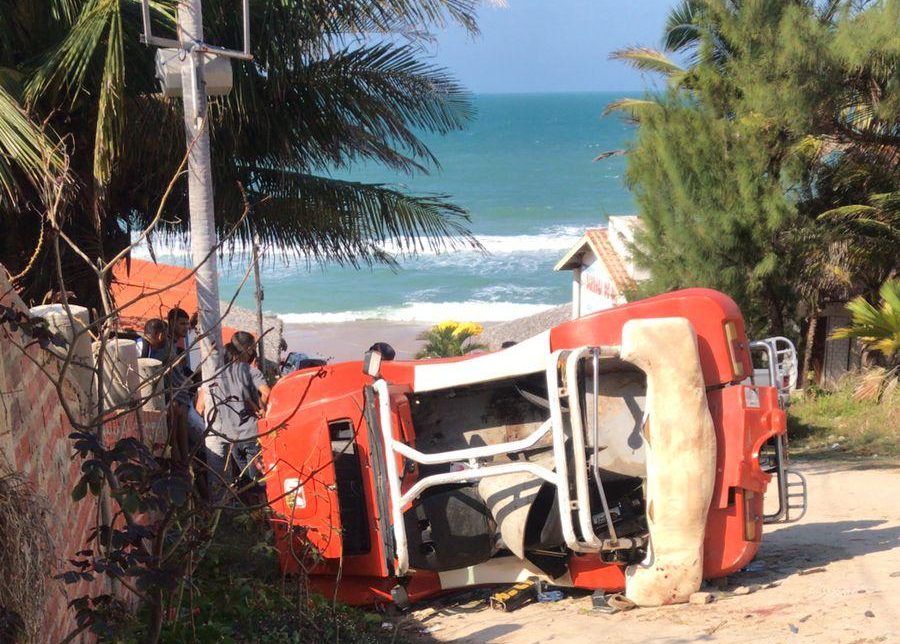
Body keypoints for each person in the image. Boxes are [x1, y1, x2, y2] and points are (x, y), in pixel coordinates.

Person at [202, 331, 271, 502]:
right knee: (261, 482)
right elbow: (267, 392)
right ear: (247, 349)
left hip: (230, 438)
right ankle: (265, 517)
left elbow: (201, 406)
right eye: (253, 348)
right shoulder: (249, 371)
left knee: (245, 482)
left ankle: (251, 516)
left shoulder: (215, 373)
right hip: (251, 435)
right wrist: (261, 407)